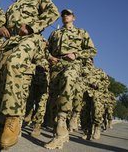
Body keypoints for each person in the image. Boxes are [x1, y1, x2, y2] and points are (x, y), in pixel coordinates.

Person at [0, 0, 59, 151]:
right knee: (0, 80)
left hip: (30, 39)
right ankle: (0, 134)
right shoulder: (12, 6)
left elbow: (54, 13)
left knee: (15, 64)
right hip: (10, 42)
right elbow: (2, 22)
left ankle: (14, 120)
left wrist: (32, 26)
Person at [44, 9, 97, 149]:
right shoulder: (55, 33)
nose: (65, 16)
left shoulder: (81, 32)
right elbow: (46, 50)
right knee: (54, 99)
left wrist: (76, 54)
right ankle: (60, 132)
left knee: (68, 80)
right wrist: (50, 57)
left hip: (73, 64)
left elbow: (92, 51)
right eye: (63, 14)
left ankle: (61, 129)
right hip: (56, 66)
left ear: (74, 17)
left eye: (68, 14)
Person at [80, 61, 110, 140]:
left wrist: (98, 85)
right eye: (87, 61)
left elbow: (106, 81)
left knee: (96, 110)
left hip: (97, 94)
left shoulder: (99, 71)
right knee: (84, 113)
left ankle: (97, 127)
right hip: (85, 94)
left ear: (93, 62)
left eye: (90, 61)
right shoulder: (81, 70)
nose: (88, 63)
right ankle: (87, 132)